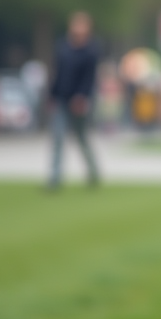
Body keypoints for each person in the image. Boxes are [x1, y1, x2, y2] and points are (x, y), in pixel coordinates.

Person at [47, 11, 101, 190]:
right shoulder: (63, 47)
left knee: (82, 137)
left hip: (79, 101)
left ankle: (93, 172)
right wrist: (52, 95)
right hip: (62, 98)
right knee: (58, 137)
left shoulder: (91, 51)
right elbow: (58, 73)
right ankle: (55, 178)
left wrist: (82, 96)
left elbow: (89, 78)